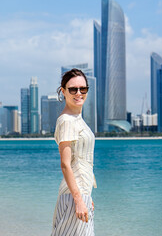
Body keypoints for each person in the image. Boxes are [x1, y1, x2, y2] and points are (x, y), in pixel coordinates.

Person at [51, 69, 96, 236]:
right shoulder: (67, 120)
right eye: (73, 89)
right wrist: (78, 199)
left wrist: (86, 195)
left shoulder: (77, 119)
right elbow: (65, 164)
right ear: (63, 91)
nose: (79, 93)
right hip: (73, 196)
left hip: (80, 192)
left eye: (83, 89)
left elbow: (81, 162)